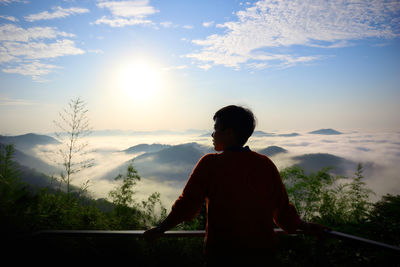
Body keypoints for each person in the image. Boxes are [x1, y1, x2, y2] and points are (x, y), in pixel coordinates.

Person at [144, 105, 325, 266]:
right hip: (262, 257)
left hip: (222, 256)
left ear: (229, 133)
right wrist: (305, 226)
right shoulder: (265, 165)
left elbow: (188, 205)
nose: (212, 135)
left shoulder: (210, 164)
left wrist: (161, 229)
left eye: (216, 129)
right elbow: (283, 211)